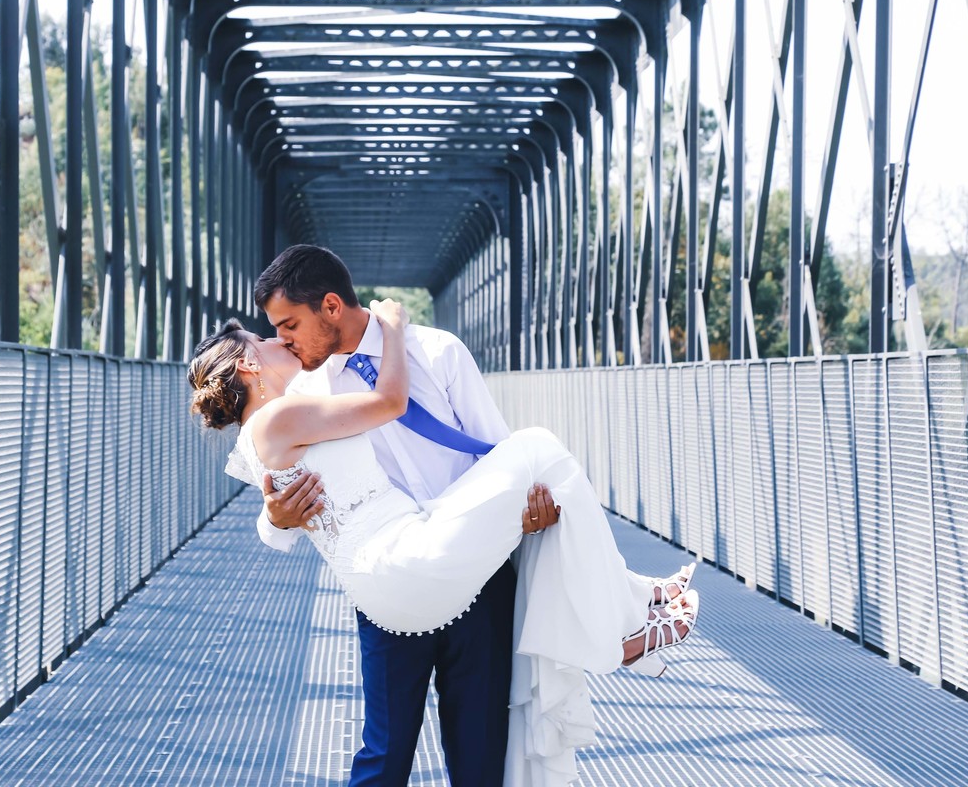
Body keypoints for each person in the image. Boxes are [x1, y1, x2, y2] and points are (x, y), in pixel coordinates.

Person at [187, 248, 700, 786]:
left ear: (331, 306)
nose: (282, 340)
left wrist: (522, 513)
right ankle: (626, 619)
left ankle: (626, 612)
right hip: (395, 580)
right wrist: (276, 517)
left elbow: (494, 450)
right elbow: (279, 478)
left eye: (288, 325)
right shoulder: (303, 389)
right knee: (386, 752)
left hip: (477, 573)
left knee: (479, 748)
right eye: (273, 333)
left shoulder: (435, 351)